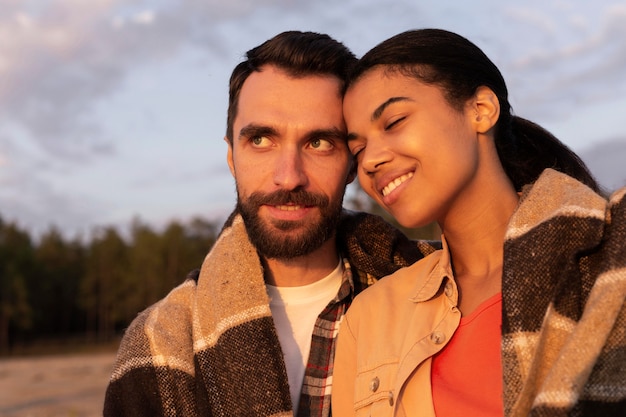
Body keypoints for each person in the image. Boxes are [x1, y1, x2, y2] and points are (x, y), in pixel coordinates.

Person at [103, 31, 439, 417]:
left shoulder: (439, 290)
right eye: (261, 139)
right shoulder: (158, 344)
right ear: (232, 156)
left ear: (352, 162)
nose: (289, 177)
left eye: (319, 143)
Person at [332, 28, 626, 417]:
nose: (370, 161)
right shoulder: (369, 319)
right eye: (358, 149)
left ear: (481, 110)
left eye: (394, 121)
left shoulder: (610, 255)